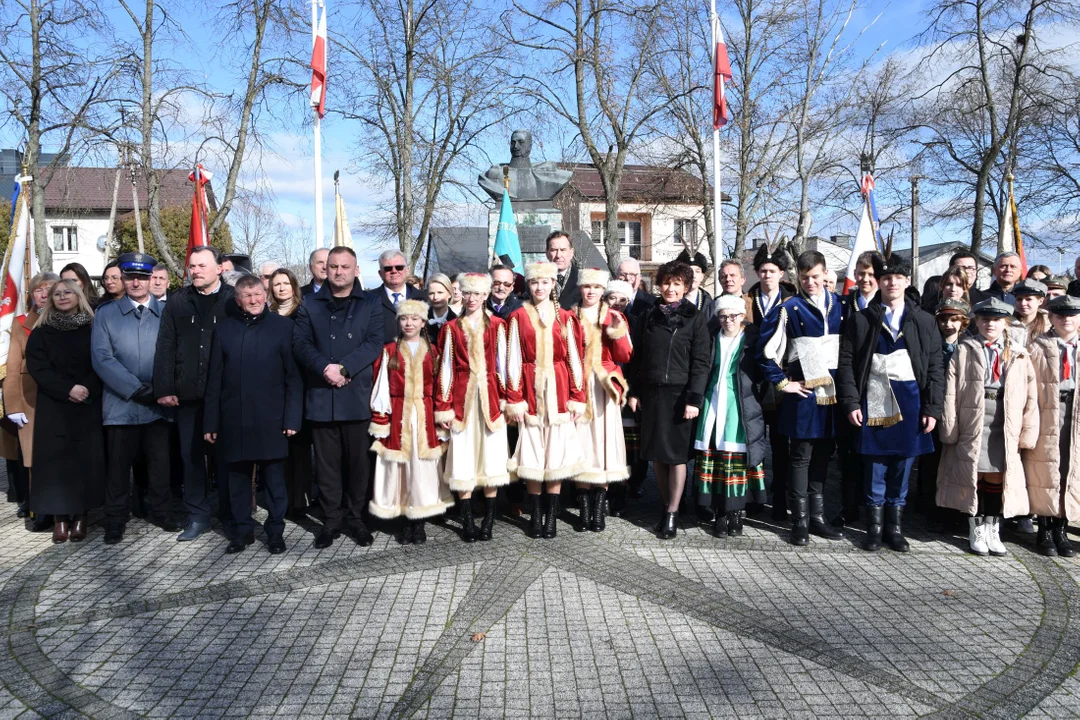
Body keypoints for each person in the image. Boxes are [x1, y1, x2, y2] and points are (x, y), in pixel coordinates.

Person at [836, 256, 942, 552]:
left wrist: (932, 408)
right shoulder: (862, 319)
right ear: (879, 281)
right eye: (886, 278)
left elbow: (935, 367)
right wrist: (850, 402)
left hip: (910, 401)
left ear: (907, 281)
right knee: (875, 466)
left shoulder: (923, 320)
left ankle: (894, 529)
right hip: (873, 399)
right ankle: (874, 528)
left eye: (898, 277)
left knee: (902, 466)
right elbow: (846, 363)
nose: (892, 282)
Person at [293, 246, 385, 549]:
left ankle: (357, 518)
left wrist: (345, 368)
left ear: (356, 270)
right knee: (328, 465)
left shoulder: (371, 303)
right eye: (333, 266)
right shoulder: (308, 304)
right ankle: (331, 520)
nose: (339, 272)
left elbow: (374, 343)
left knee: (358, 465)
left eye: (345, 267)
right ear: (325, 269)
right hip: (322, 395)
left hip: (355, 395)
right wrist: (325, 368)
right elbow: (301, 344)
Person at [203, 275, 302, 554]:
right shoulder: (223, 330)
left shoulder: (284, 328)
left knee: (274, 482)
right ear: (238, 300)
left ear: (265, 294)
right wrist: (211, 421)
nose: (254, 300)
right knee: (237, 481)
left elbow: (293, 378)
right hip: (234, 420)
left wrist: (292, 419)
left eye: (258, 294)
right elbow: (214, 380)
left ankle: (275, 532)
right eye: (247, 296)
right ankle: (242, 532)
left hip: (273, 420)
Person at [938, 297, 1038, 557]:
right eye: (984, 319)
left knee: (997, 473)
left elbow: (1030, 395)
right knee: (975, 474)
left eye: (995, 320)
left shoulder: (1018, 353)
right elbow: (951, 391)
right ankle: (976, 527)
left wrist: (1027, 429)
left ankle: (993, 527)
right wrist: (950, 425)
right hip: (974, 418)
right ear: (977, 322)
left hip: (1003, 420)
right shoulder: (965, 349)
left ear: (1005, 322)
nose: (989, 324)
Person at [758, 250, 844, 546]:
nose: (810, 282)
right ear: (797, 277)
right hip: (804, 395)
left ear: (824, 274)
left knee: (823, 454)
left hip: (832, 394)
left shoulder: (840, 306)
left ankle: (818, 517)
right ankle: (800, 521)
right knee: (801, 456)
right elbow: (766, 351)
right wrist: (784, 384)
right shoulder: (789, 308)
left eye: (816, 277)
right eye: (805, 278)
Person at [92, 252, 179, 544]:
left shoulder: (168, 312)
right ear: (124, 279)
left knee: (159, 464)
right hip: (121, 405)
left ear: (152, 278)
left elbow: (175, 355)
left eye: (143, 277)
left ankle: (162, 512)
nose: (137, 283)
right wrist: (136, 389)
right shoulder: (106, 313)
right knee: (118, 468)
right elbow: (102, 359)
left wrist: (160, 387)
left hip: (158, 404)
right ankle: (115, 519)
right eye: (131, 277)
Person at [153, 245, 236, 541]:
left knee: (227, 458)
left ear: (219, 268)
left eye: (202, 265)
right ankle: (198, 516)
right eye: (192, 266)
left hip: (225, 397)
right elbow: (165, 345)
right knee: (191, 458)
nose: (196, 271)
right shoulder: (178, 302)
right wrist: (164, 388)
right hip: (187, 395)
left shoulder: (232, 301)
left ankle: (230, 515)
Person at [627, 260, 711, 539]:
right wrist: (635, 391)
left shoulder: (695, 317)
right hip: (652, 394)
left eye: (677, 283)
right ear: (659, 284)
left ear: (686, 287)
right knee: (656, 457)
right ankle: (666, 504)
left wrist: (694, 399)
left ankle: (673, 512)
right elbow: (637, 356)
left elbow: (701, 362)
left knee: (675, 457)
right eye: (666, 283)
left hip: (680, 396)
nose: (670, 288)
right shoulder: (649, 314)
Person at [505, 260, 587, 539]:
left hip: (560, 390)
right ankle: (536, 514)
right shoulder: (517, 316)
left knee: (556, 456)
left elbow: (574, 358)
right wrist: (515, 397)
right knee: (531, 454)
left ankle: (551, 515)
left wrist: (577, 396)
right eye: (534, 282)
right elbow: (512, 360)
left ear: (553, 284)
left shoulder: (566, 317)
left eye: (545, 282)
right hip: (529, 391)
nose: (539, 287)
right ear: (528, 285)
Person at [25, 279, 104, 543]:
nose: (62, 296)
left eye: (67, 292)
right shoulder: (41, 331)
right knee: (56, 466)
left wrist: (86, 389)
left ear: (78, 295)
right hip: (54, 406)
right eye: (57, 294)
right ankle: (59, 519)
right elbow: (39, 368)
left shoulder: (95, 327)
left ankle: (81, 516)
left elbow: (102, 360)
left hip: (87, 405)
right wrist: (68, 388)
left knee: (84, 462)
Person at [435, 273, 511, 542]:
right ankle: (467, 520)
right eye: (467, 293)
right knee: (463, 459)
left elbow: (505, 366)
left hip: (491, 402)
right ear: (461, 294)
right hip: (461, 402)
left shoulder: (498, 326)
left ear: (485, 295)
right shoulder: (451, 329)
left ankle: (488, 520)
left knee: (491, 459)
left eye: (477, 294)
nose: (472, 299)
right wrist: (443, 406)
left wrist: (508, 400)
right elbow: (445, 369)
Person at [368, 300, 452, 543]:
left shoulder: (434, 351)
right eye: (404, 319)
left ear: (423, 322)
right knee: (401, 469)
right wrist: (381, 420)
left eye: (415, 319)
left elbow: (440, 387)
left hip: (424, 417)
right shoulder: (389, 351)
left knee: (422, 469)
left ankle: (419, 521)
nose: (409, 323)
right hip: (398, 417)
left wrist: (441, 417)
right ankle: (405, 519)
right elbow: (381, 387)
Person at [693, 294, 766, 537]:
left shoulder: (751, 340)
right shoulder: (713, 339)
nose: (728, 320)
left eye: (733, 316)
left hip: (740, 406)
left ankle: (735, 513)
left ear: (742, 316)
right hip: (713, 403)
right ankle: (719, 512)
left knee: (735, 456)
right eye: (723, 316)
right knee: (716, 456)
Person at [571, 268, 633, 532]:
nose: (591, 291)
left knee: (604, 445)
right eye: (587, 287)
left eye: (597, 287)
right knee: (582, 445)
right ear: (581, 289)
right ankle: (584, 509)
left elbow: (625, 355)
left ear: (602, 290)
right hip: (577, 384)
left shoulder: (614, 316)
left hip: (604, 386)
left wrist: (617, 332)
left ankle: (599, 510)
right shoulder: (569, 317)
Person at [1025, 294, 1080, 557]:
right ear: (1052, 318)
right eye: (1060, 315)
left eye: (1071, 315)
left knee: (1071, 468)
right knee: (1046, 468)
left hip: (1075, 412)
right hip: (1047, 411)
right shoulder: (1038, 346)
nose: (1066, 319)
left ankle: (1062, 527)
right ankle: (1044, 528)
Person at [4, 271, 58, 528]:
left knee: (59, 455)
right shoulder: (21, 323)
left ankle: (63, 509)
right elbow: (13, 367)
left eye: (49, 289)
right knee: (34, 458)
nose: (44, 294)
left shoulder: (67, 318)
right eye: (39, 289)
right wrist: (13, 405)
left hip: (61, 398)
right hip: (30, 399)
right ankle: (41, 510)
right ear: (32, 294)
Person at [831, 251, 881, 530]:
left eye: (871, 274)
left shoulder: (889, 306)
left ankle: (874, 508)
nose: (864, 279)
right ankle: (849, 507)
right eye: (860, 273)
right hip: (848, 386)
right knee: (848, 453)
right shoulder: (844, 304)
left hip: (878, 387)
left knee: (874, 454)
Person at [744, 244, 793, 520]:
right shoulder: (746, 301)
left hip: (783, 382)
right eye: (762, 270)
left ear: (781, 273)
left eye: (772, 271)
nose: (767, 275)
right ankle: (756, 496)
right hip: (754, 380)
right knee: (755, 441)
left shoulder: (791, 301)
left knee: (781, 443)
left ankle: (781, 497)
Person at [916, 298, 970, 533]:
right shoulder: (930, 343)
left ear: (963, 322)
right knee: (932, 461)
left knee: (956, 463)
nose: (948, 324)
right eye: (944, 319)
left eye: (954, 319)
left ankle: (955, 509)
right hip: (935, 410)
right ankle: (931, 507)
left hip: (960, 412)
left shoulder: (968, 347)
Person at [267, 267, 312, 517]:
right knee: (280, 448)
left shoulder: (303, 312)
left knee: (299, 447)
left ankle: (301, 499)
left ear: (294, 286)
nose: (282, 288)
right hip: (275, 387)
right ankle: (280, 498)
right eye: (277, 284)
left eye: (286, 283)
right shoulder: (267, 313)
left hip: (299, 384)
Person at [370, 249, 425, 344]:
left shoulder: (424, 299)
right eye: (388, 268)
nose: (394, 271)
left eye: (399, 267)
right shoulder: (368, 300)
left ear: (407, 270)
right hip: (380, 357)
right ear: (380, 273)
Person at [546, 231, 581, 310]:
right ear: (547, 253)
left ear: (571, 253)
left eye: (563, 250)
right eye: (554, 250)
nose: (558, 255)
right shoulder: (536, 281)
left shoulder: (583, 280)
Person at [1010, 279, 1049, 348]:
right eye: (1019, 299)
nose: (1023, 303)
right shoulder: (1006, 323)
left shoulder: (1049, 324)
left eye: (1028, 299)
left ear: (1040, 301)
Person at [617, 258, 655, 323]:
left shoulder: (652, 302)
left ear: (640, 277)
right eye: (623, 274)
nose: (628, 278)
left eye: (632, 274)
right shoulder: (607, 303)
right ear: (616, 277)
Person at [676, 249, 713, 316]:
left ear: (702, 276)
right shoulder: (669, 301)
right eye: (688, 271)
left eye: (697, 271)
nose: (693, 275)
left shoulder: (710, 305)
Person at [425, 273, 456, 344]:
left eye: (440, 292)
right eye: (431, 293)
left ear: (449, 293)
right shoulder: (420, 320)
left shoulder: (457, 321)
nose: (435, 297)